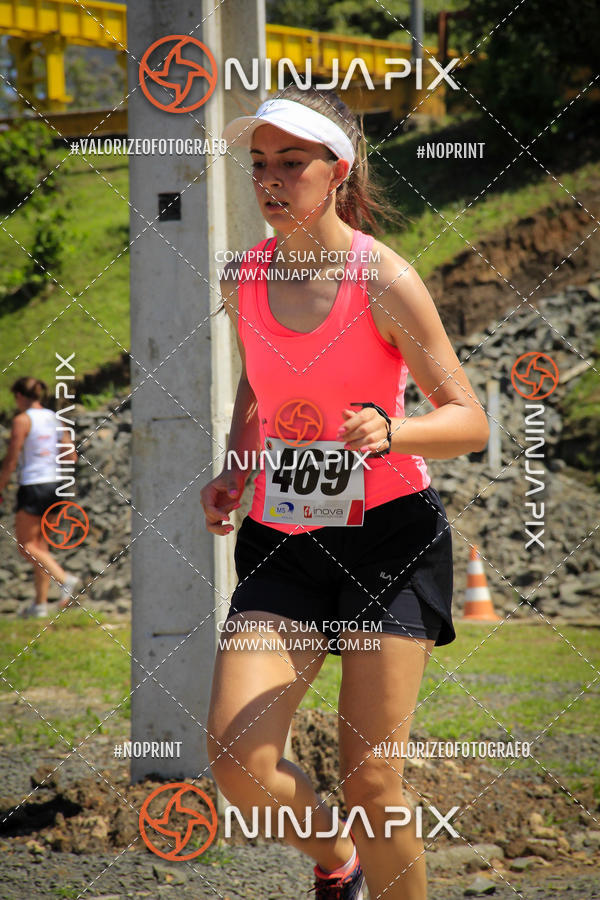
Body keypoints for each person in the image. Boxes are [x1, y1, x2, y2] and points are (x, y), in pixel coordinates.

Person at [200, 85, 489, 900]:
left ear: (339, 172)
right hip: (284, 538)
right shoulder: (242, 278)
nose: (270, 178)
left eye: (292, 162)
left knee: (371, 783)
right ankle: (339, 864)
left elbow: (469, 421)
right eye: (259, 163)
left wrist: (394, 432)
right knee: (237, 758)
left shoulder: (383, 278)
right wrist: (237, 465)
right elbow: (257, 385)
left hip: (389, 540)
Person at [0, 377, 79, 617]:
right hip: (55, 485)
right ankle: (40, 605)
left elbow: (11, 459)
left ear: (19, 396)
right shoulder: (54, 418)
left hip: (33, 485)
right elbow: (71, 456)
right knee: (41, 548)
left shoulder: (22, 420)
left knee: (26, 546)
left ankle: (65, 580)